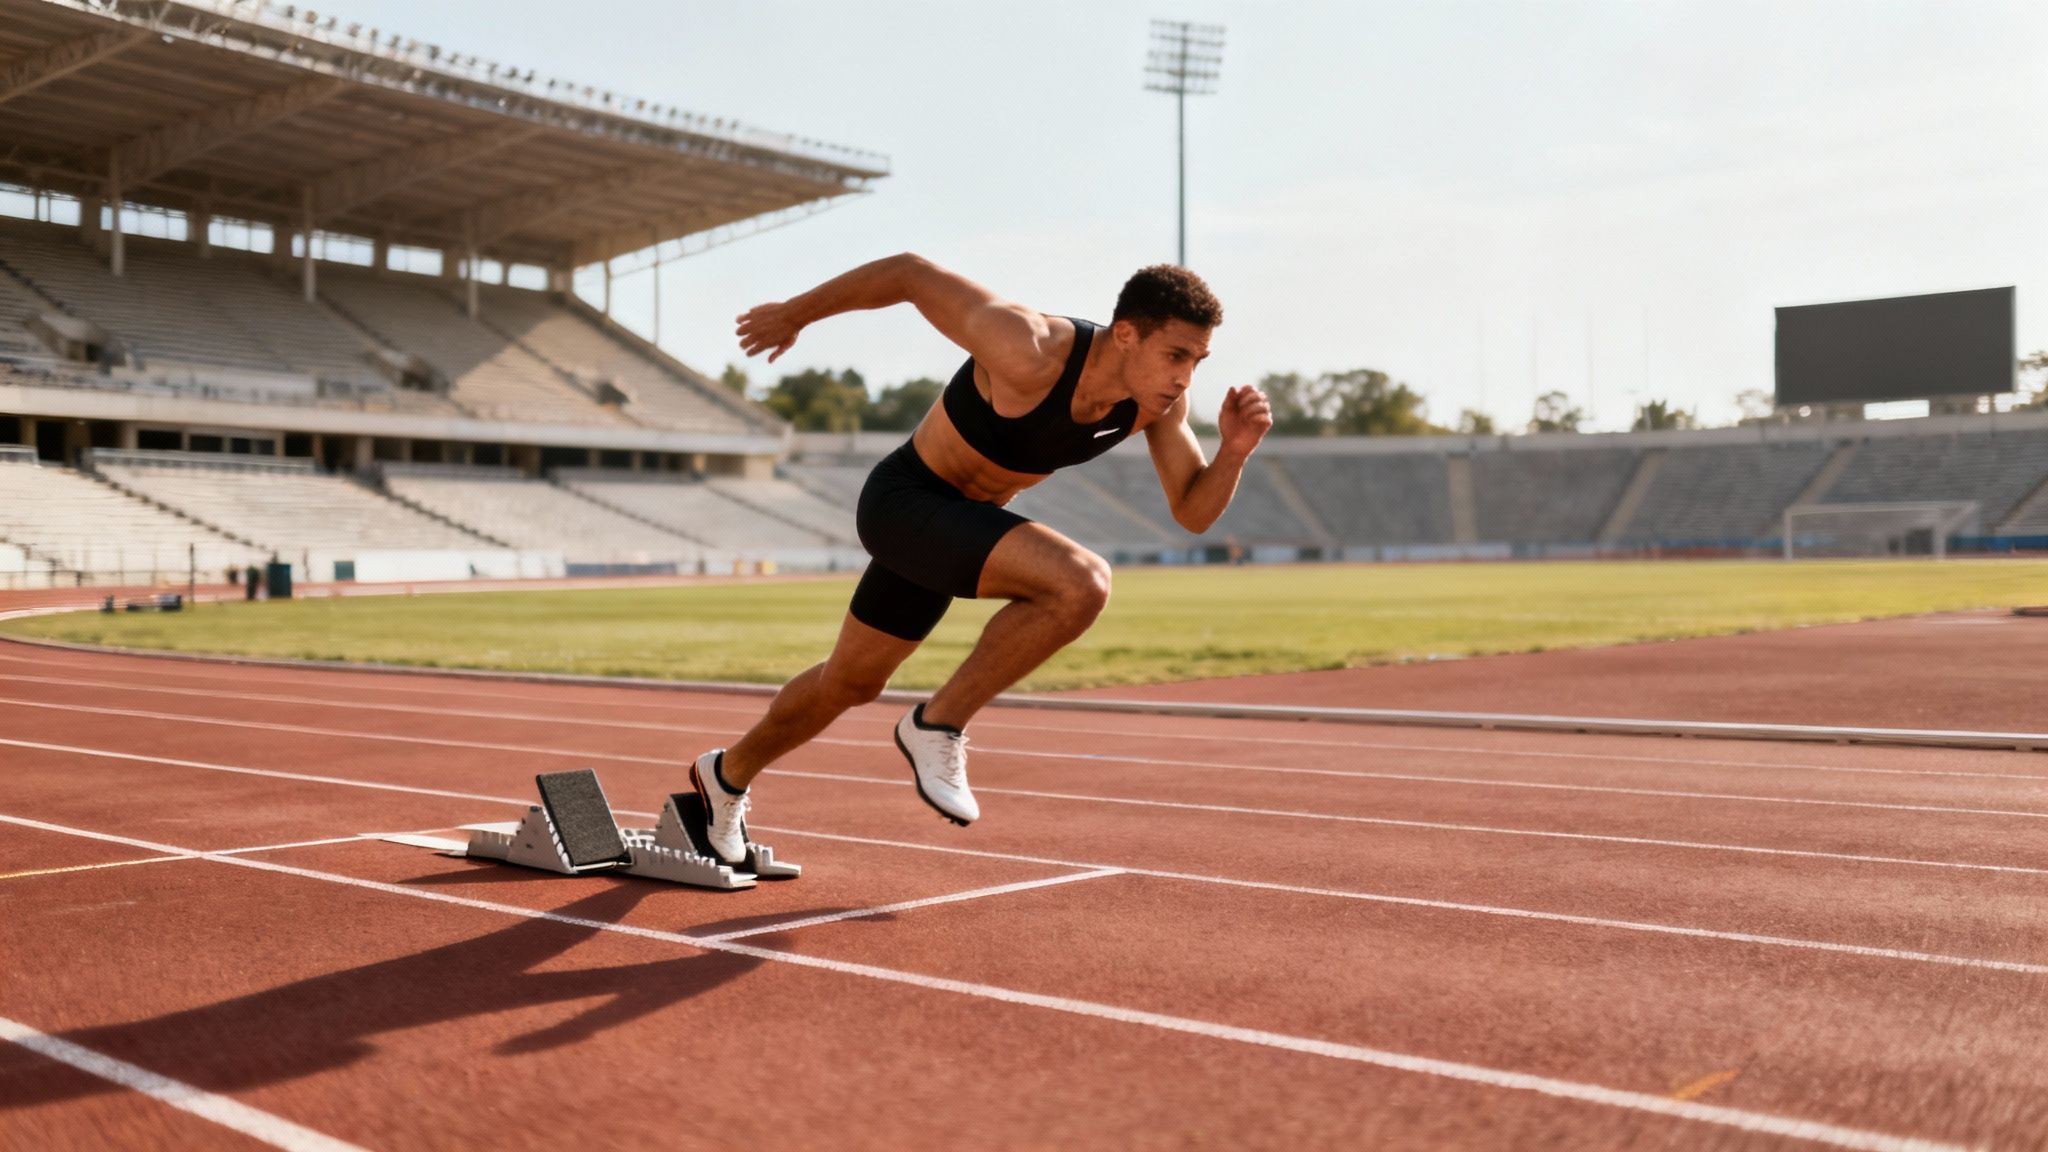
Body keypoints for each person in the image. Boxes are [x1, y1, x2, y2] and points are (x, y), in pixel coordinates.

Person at [688, 255, 1272, 863]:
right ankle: (937, 724)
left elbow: (1192, 511)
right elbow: (911, 274)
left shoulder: (1156, 406)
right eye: (1176, 354)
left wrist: (1233, 452)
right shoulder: (1030, 347)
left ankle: (724, 777)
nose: (1185, 376)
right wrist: (793, 315)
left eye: (1197, 361)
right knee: (1081, 584)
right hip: (905, 503)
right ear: (1126, 334)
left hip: (956, 529)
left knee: (852, 682)